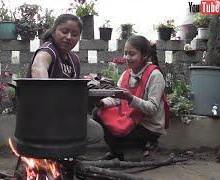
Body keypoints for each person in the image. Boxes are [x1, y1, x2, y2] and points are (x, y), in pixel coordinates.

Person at [26, 14, 103, 145]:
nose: (68, 37)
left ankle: (63, 155)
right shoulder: (47, 50)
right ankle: (55, 154)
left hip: (64, 114)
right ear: (54, 31)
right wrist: (48, 100)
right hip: (42, 115)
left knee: (96, 132)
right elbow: (38, 67)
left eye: (74, 34)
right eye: (64, 31)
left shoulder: (74, 59)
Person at [93, 35, 169, 160]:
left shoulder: (155, 75)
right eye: (125, 53)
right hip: (131, 118)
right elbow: (116, 98)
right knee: (98, 112)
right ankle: (117, 152)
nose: (127, 58)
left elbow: (152, 108)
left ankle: (140, 147)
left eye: (131, 54)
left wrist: (130, 99)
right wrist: (101, 103)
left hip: (147, 125)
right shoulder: (126, 74)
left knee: (123, 138)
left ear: (144, 55)